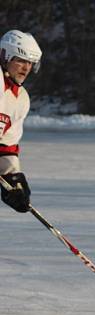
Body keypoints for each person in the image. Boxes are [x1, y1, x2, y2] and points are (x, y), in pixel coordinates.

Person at [0, 30, 42, 214]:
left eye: (30, 63)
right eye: (21, 61)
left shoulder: (21, 99)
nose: (26, 68)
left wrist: (12, 180)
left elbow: (6, 145)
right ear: (4, 56)